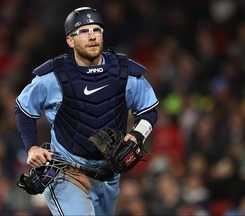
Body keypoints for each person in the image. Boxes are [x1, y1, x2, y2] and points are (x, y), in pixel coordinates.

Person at [15, 7, 159, 215]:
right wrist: (32, 148)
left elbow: (149, 110)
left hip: (109, 176)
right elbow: (23, 109)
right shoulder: (54, 75)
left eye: (96, 30)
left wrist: (138, 134)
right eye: (83, 31)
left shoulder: (123, 72)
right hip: (67, 172)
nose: (92, 36)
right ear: (70, 41)